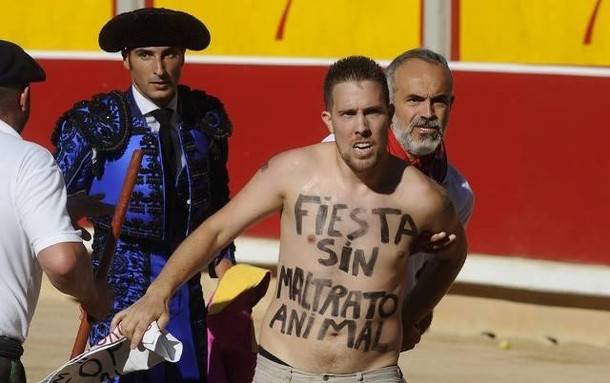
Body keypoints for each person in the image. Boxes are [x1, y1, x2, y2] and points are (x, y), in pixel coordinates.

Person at [112, 56, 467, 382]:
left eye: (372, 112)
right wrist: (157, 294)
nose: (361, 126)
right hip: (282, 371)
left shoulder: (424, 197)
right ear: (329, 119)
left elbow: (453, 256)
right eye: (348, 114)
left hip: (372, 374)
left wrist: (412, 313)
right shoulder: (292, 172)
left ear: (389, 115)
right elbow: (217, 231)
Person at [52, 8, 235, 382]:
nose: (160, 68)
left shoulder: (205, 117)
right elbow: (50, 204)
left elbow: (216, 200)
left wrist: (225, 264)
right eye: (145, 55)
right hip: (119, 286)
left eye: (170, 54)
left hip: (185, 283)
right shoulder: (95, 122)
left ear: (183, 56)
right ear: (126, 60)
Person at [0, 40, 111, 383]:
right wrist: (93, 295)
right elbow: (62, 263)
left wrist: (55, 212)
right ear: (24, 97)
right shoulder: (28, 160)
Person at [385, 48, 474, 348]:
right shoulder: (335, 157)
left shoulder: (457, 192)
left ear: (451, 105)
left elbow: (433, 270)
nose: (427, 113)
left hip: (381, 350)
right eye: (414, 100)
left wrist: (412, 315)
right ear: (387, 105)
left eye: (439, 101)